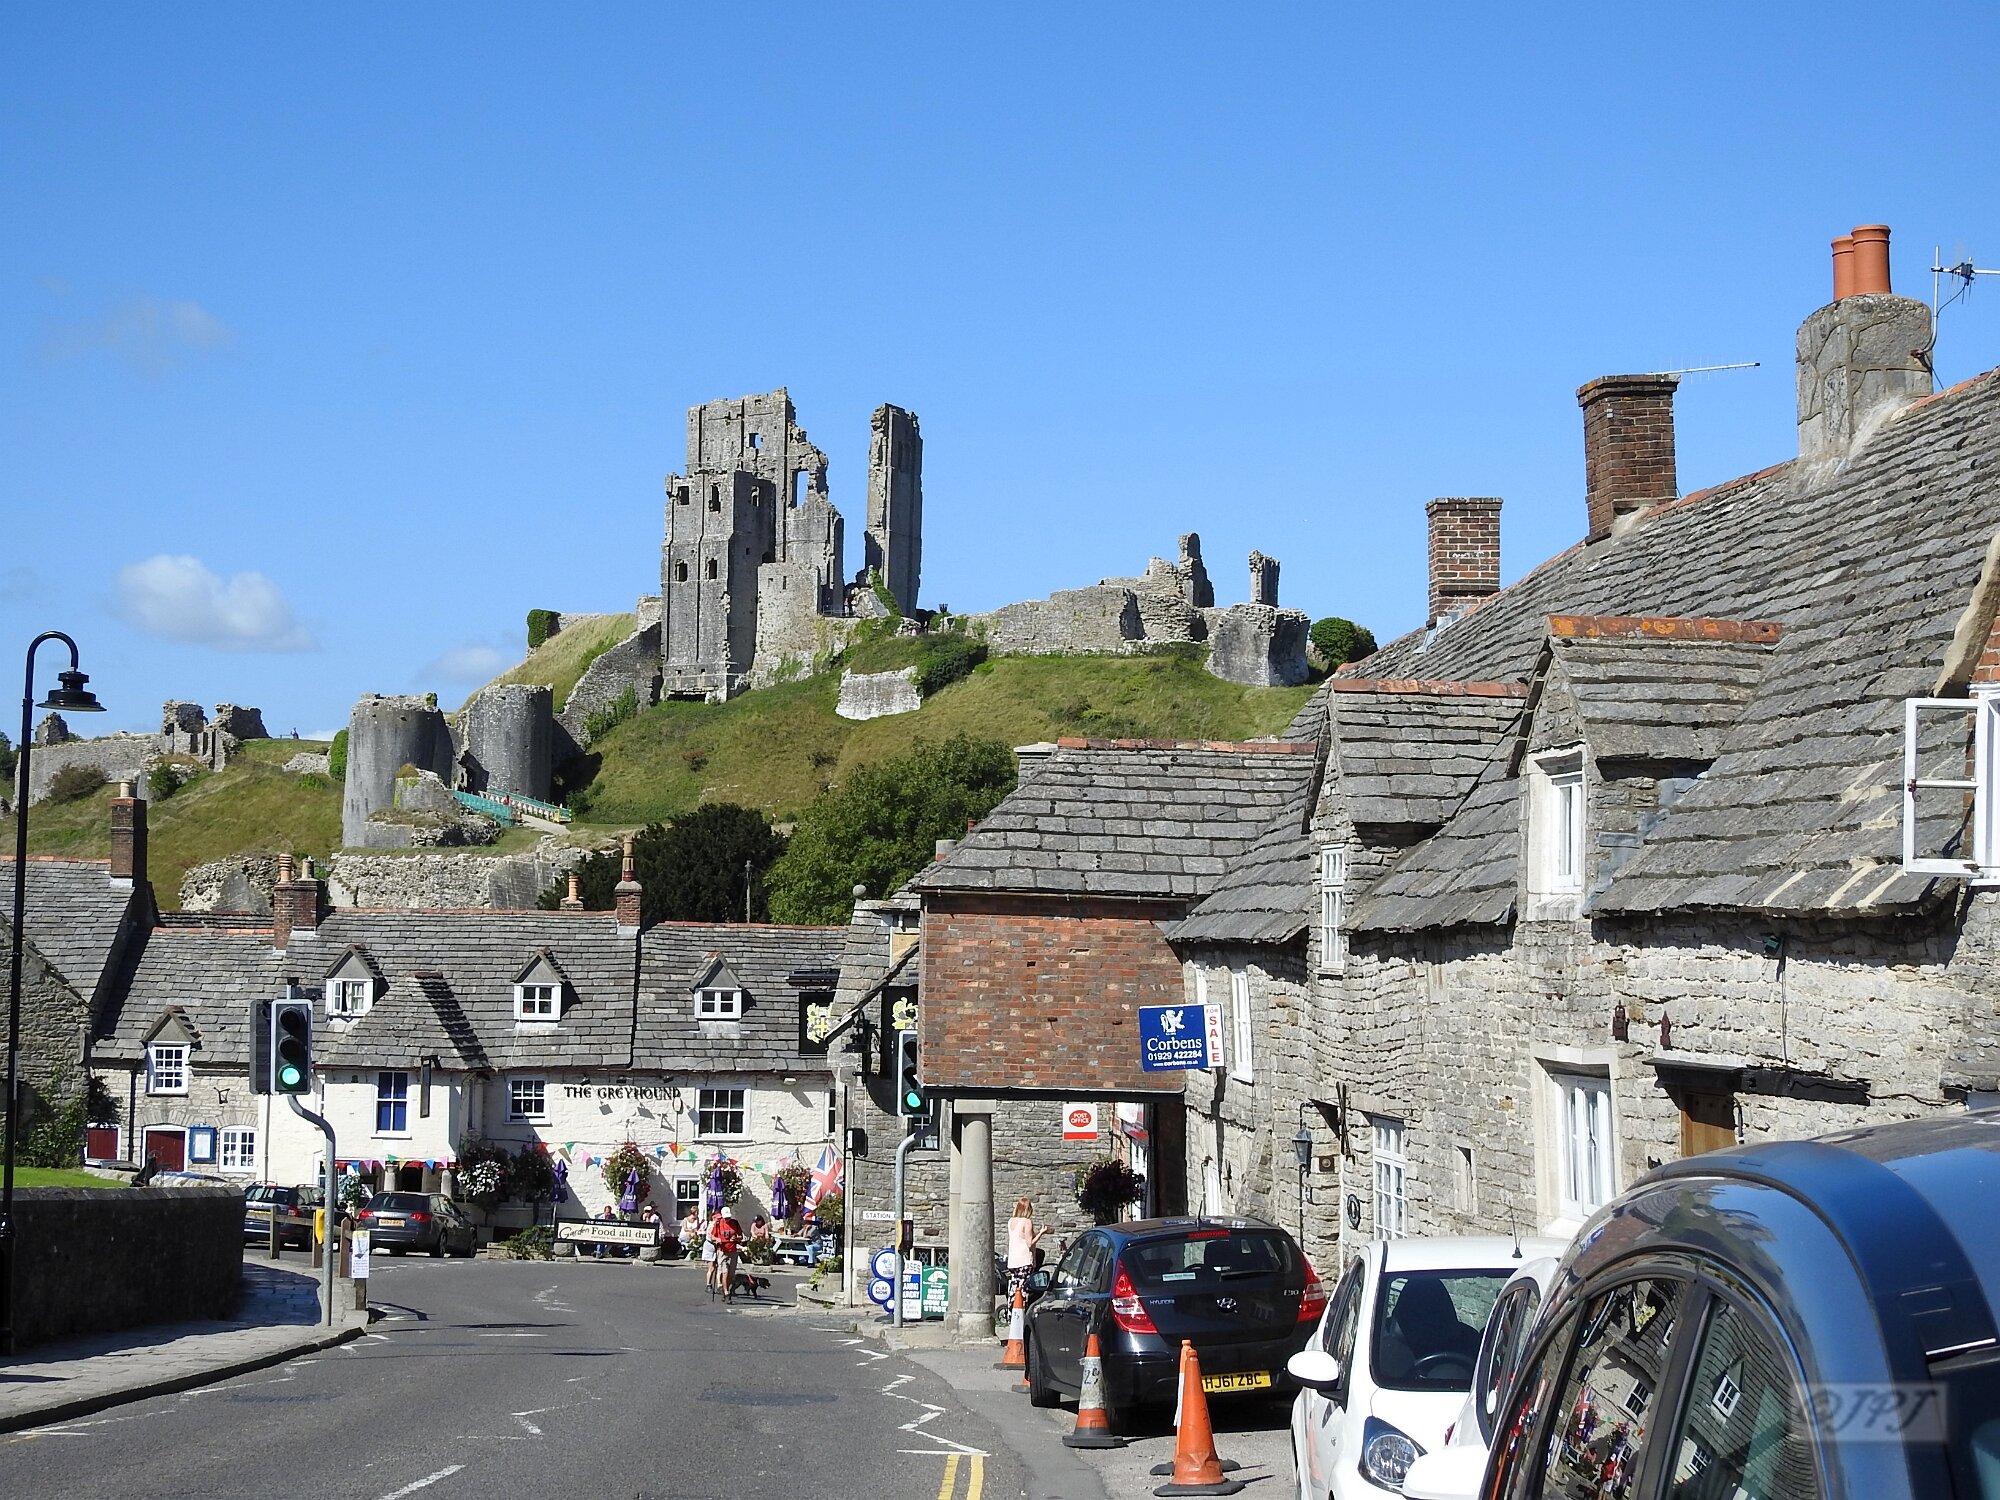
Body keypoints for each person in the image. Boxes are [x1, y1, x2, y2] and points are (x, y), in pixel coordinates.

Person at [1005, 1197, 1043, 1297]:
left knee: (1014, 1290)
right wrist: (1041, 1233)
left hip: (1013, 1261)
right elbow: (1029, 1243)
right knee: (1023, 1292)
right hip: (1024, 1261)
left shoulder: (1011, 1221)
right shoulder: (1026, 1222)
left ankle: (1011, 1306)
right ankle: (1021, 1307)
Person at [711, 1212, 743, 1301]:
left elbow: (741, 1236)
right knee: (725, 1271)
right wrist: (717, 1239)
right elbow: (712, 1236)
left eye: (728, 1217)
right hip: (722, 1251)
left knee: (731, 1274)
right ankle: (726, 1292)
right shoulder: (718, 1224)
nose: (727, 1219)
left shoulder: (735, 1223)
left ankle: (726, 1288)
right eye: (725, 1218)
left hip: (733, 1250)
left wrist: (736, 1238)